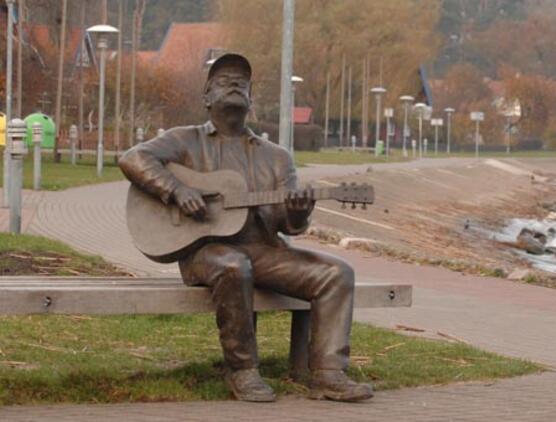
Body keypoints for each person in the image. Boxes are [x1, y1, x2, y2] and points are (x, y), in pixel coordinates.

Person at [118, 53, 373, 403]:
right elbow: (132, 158)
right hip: (203, 252)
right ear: (207, 97)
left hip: (264, 250)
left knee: (337, 273)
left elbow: (290, 226)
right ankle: (242, 370)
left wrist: (298, 214)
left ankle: (329, 373)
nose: (234, 84)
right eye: (223, 81)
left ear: (251, 99)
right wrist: (176, 190)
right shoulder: (185, 140)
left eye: (242, 82)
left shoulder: (276, 157)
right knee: (234, 265)